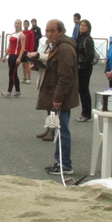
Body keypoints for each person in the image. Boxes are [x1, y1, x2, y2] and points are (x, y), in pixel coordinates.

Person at [38, 20, 79, 177]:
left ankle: (65, 165)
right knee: (58, 129)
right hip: (57, 93)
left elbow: (65, 76)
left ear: (60, 31)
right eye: (47, 31)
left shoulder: (65, 48)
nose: (49, 34)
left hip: (62, 96)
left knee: (62, 130)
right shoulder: (57, 46)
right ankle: (60, 162)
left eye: (52, 31)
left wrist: (58, 98)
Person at [75, 19, 95, 122]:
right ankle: (84, 112)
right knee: (81, 89)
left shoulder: (88, 39)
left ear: (88, 28)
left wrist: (82, 66)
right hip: (79, 67)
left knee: (84, 90)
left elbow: (90, 55)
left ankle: (86, 113)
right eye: (81, 25)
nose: (82, 27)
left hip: (85, 68)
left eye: (84, 26)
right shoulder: (79, 38)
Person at [1, 19, 26, 98]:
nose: (17, 24)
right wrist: (5, 55)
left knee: (11, 73)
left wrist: (19, 57)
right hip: (11, 55)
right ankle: (18, 91)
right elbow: (10, 46)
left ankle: (9, 91)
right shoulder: (12, 34)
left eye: (18, 23)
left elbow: (23, 47)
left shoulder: (21, 35)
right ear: (14, 24)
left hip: (16, 55)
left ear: (20, 25)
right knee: (14, 73)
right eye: (16, 23)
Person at [21, 19, 35, 84]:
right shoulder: (22, 32)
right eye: (24, 24)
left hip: (28, 50)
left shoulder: (30, 32)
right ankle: (24, 77)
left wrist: (30, 51)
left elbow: (32, 42)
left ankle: (29, 78)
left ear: (28, 25)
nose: (25, 25)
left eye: (26, 24)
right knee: (23, 64)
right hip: (23, 50)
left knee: (28, 64)